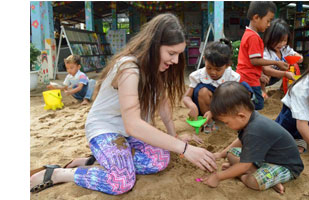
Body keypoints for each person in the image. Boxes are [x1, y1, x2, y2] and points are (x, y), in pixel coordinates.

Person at [30, 13, 217, 195]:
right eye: (171, 53)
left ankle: (96, 161)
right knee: (121, 181)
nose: (175, 60)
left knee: (161, 159)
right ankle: (59, 174)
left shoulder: (156, 69)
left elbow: (163, 104)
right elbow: (133, 124)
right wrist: (185, 149)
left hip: (127, 134)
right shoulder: (129, 68)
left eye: (178, 54)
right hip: (105, 129)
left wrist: (173, 137)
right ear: (154, 45)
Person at [202, 81, 304, 194]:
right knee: (230, 153)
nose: (227, 126)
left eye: (227, 122)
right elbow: (241, 140)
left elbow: (245, 165)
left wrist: (218, 177)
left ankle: (245, 176)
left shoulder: (254, 130)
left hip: (285, 166)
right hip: (265, 159)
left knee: (254, 181)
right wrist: (221, 154)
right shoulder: (250, 118)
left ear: (241, 116)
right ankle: (262, 176)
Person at [275, 40, 309, 163]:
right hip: (292, 119)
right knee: (283, 135)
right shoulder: (302, 89)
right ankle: (296, 138)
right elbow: (302, 125)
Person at [235, 1, 288, 110]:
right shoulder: (254, 37)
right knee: (258, 105)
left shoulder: (248, 34)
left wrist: (259, 75)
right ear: (256, 17)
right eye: (268, 21)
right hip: (249, 79)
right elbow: (255, 61)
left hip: (246, 77)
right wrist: (276, 62)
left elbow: (250, 62)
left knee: (251, 102)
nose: (269, 25)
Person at [182, 38, 240, 133]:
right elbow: (186, 97)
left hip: (223, 107)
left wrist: (213, 111)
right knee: (203, 91)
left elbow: (233, 100)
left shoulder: (232, 77)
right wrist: (192, 106)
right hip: (204, 108)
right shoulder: (198, 75)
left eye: (218, 69)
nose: (213, 72)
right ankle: (209, 122)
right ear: (204, 59)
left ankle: (218, 117)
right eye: (209, 67)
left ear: (227, 65)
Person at [260, 18, 303, 98]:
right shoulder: (266, 52)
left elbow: (295, 54)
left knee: (293, 65)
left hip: (279, 75)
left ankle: (285, 89)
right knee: (265, 73)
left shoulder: (284, 49)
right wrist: (285, 74)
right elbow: (266, 69)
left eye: (284, 40)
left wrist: (299, 57)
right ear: (270, 38)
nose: (281, 44)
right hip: (267, 78)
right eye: (278, 41)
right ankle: (263, 91)